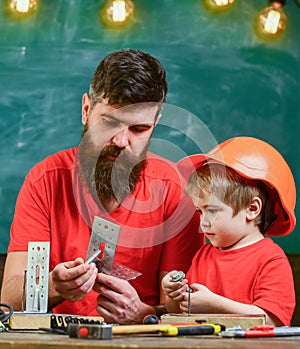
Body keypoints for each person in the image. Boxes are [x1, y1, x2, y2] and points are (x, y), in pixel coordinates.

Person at [1, 49, 205, 324]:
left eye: (139, 129)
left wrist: (143, 314)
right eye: (110, 122)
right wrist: (52, 287)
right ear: (86, 110)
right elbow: (8, 301)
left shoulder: (176, 192)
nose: (121, 141)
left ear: (155, 124)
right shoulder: (45, 181)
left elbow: (185, 309)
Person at [162, 136, 296, 326]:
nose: (203, 223)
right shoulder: (203, 256)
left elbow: (272, 319)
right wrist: (174, 295)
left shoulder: (271, 260)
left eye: (213, 210)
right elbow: (181, 312)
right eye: (200, 211)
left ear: (252, 209)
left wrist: (214, 304)